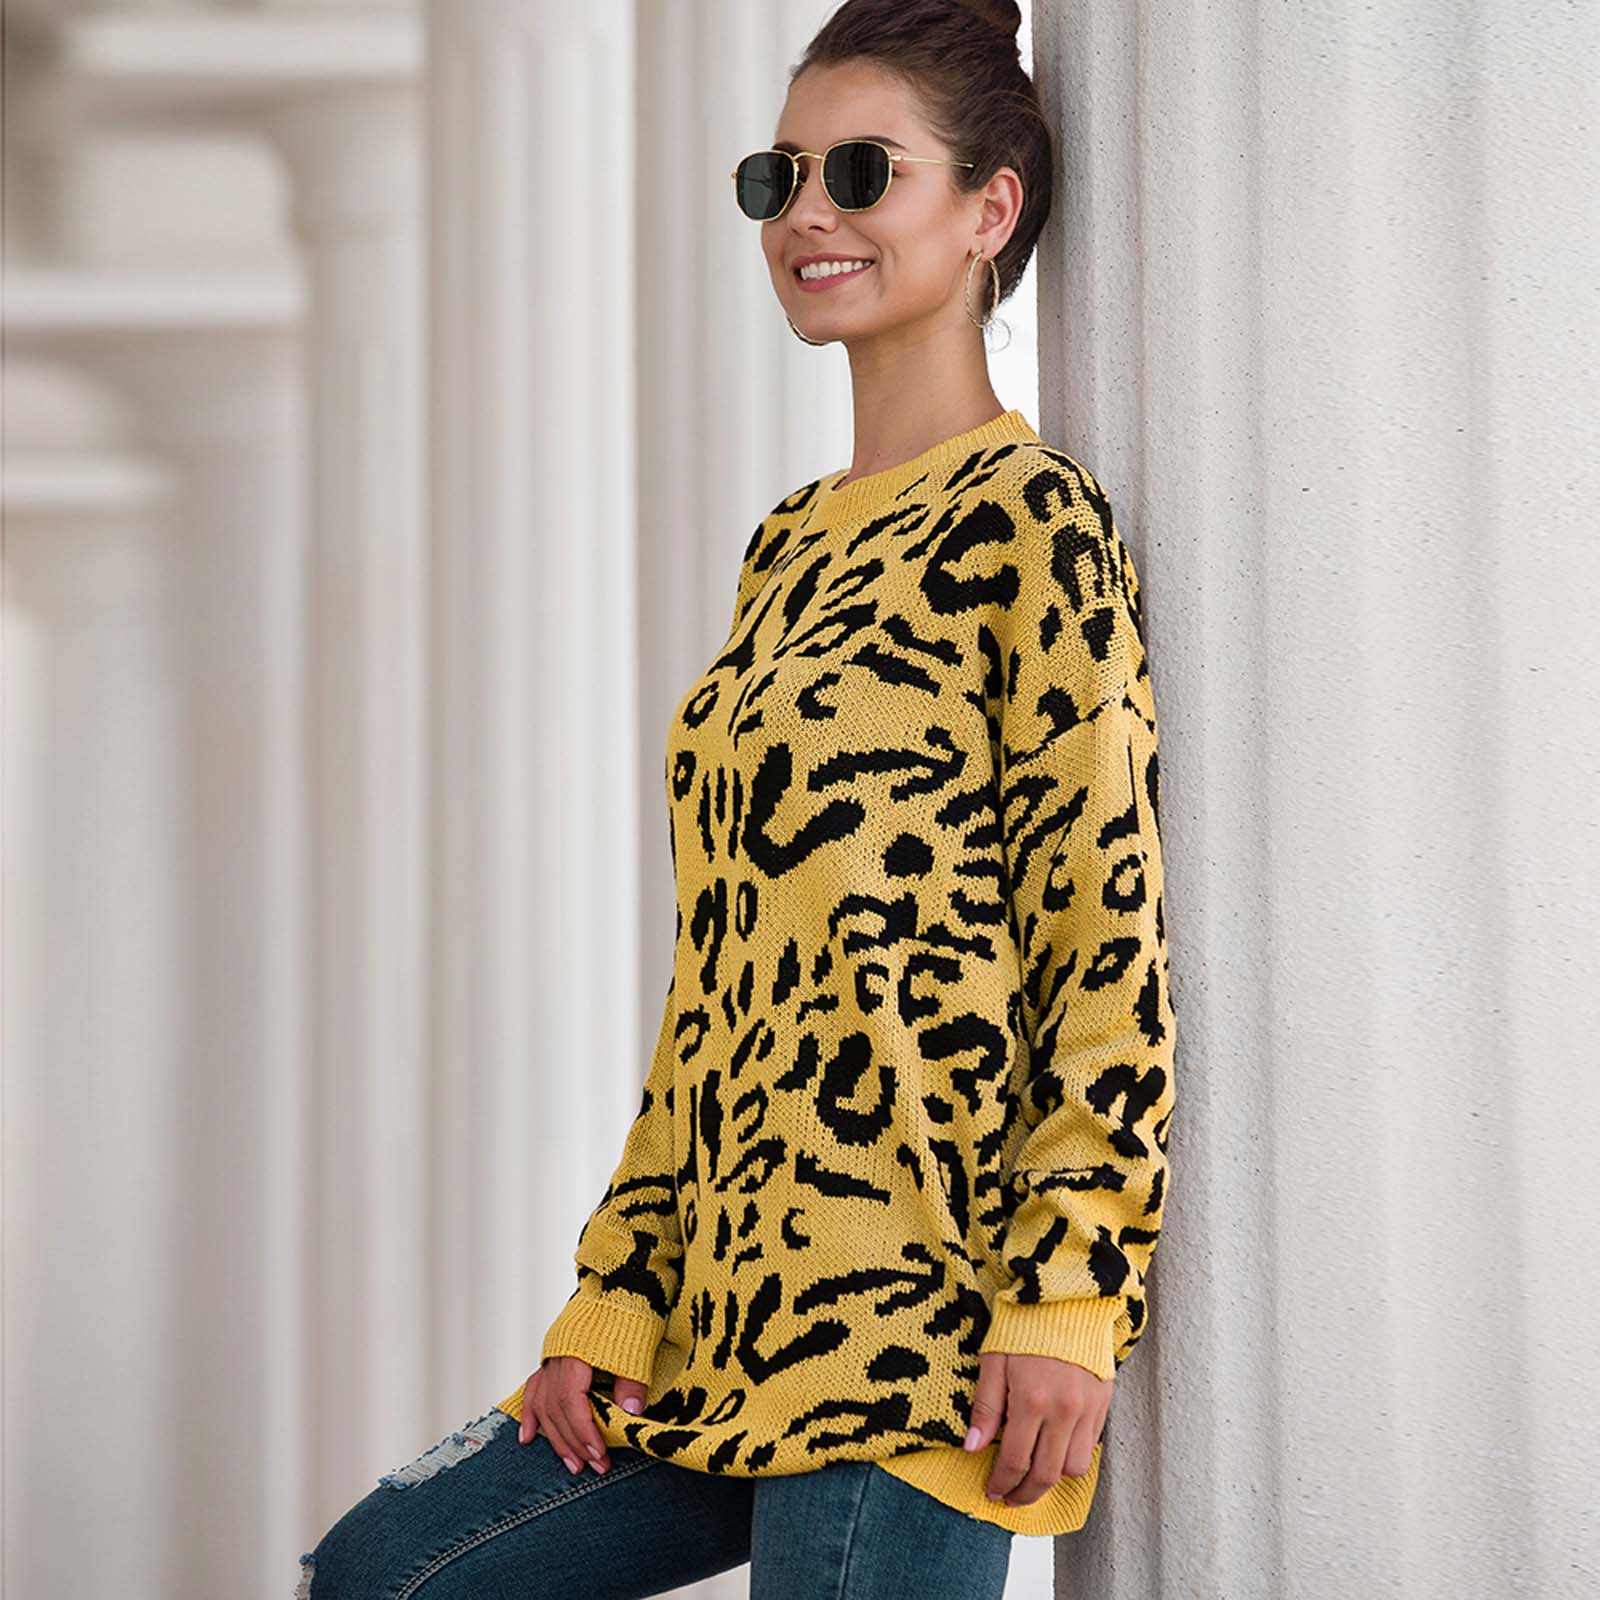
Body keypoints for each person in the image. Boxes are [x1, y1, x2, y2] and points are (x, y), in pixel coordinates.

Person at [297, 1, 1176, 1595]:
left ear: (990, 208)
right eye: (780, 178)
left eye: (862, 171)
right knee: (384, 1572)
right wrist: (619, 1291)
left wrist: (1069, 1291)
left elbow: (1100, 930)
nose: (809, 214)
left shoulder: (1031, 523)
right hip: (722, 1322)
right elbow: (724, 978)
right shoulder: (792, 545)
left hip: (916, 1337)